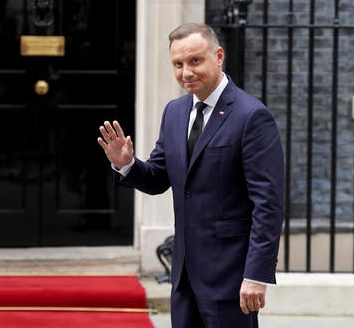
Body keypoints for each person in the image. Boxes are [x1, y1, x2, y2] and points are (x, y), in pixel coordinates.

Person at [97, 23, 284, 328]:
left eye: (195, 61)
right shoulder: (174, 111)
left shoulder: (252, 116)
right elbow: (158, 177)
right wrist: (127, 164)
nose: (186, 72)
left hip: (231, 277)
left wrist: (256, 275)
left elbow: (269, 205)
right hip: (184, 276)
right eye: (178, 64)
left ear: (218, 56)